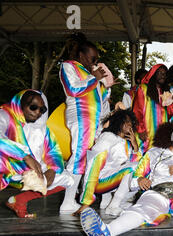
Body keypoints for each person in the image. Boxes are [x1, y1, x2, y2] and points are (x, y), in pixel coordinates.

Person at [59, 32, 111, 214]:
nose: (94, 62)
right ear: (81, 56)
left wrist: (107, 88)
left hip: (93, 120)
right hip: (81, 116)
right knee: (79, 156)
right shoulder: (68, 66)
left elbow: (100, 100)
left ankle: (75, 198)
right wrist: (94, 78)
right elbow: (72, 89)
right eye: (92, 58)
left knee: (86, 157)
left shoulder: (90, 74)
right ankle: (67, 202)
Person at [0, 90, 73, 217]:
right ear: (20, 105)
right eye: (33, 107)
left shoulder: (44, 130)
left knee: (68, 179)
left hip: (31, 172)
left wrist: (52, 170)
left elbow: (53, 151)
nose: (37, 112)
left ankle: (19, 201)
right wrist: (25, 156)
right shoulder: (5, 115)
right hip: (8, 166)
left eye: (42, 109)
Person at [72, 110, 141, 217]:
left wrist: (135, 146)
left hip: (110, 182)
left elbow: (133, 163)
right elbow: (92, 166)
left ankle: (112, 202)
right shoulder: (107, 138)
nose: (129, 124)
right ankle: (113, 205)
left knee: (141, 168)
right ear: (117, 122)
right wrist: (86, 202)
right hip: (99, 184)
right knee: (134, 167)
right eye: (125, 121)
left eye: (131, 122)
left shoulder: (125, 141)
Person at [131, 64, 170, 153]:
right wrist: (140, 130)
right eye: (159, 73)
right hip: (147, 132)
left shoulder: (165, 92)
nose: (162, 76)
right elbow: (137, 111)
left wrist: (172, 102)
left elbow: (169, 114)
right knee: (144, 160)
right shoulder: (143, 88)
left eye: (164, 74)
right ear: (153, 74)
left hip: (161, 133)